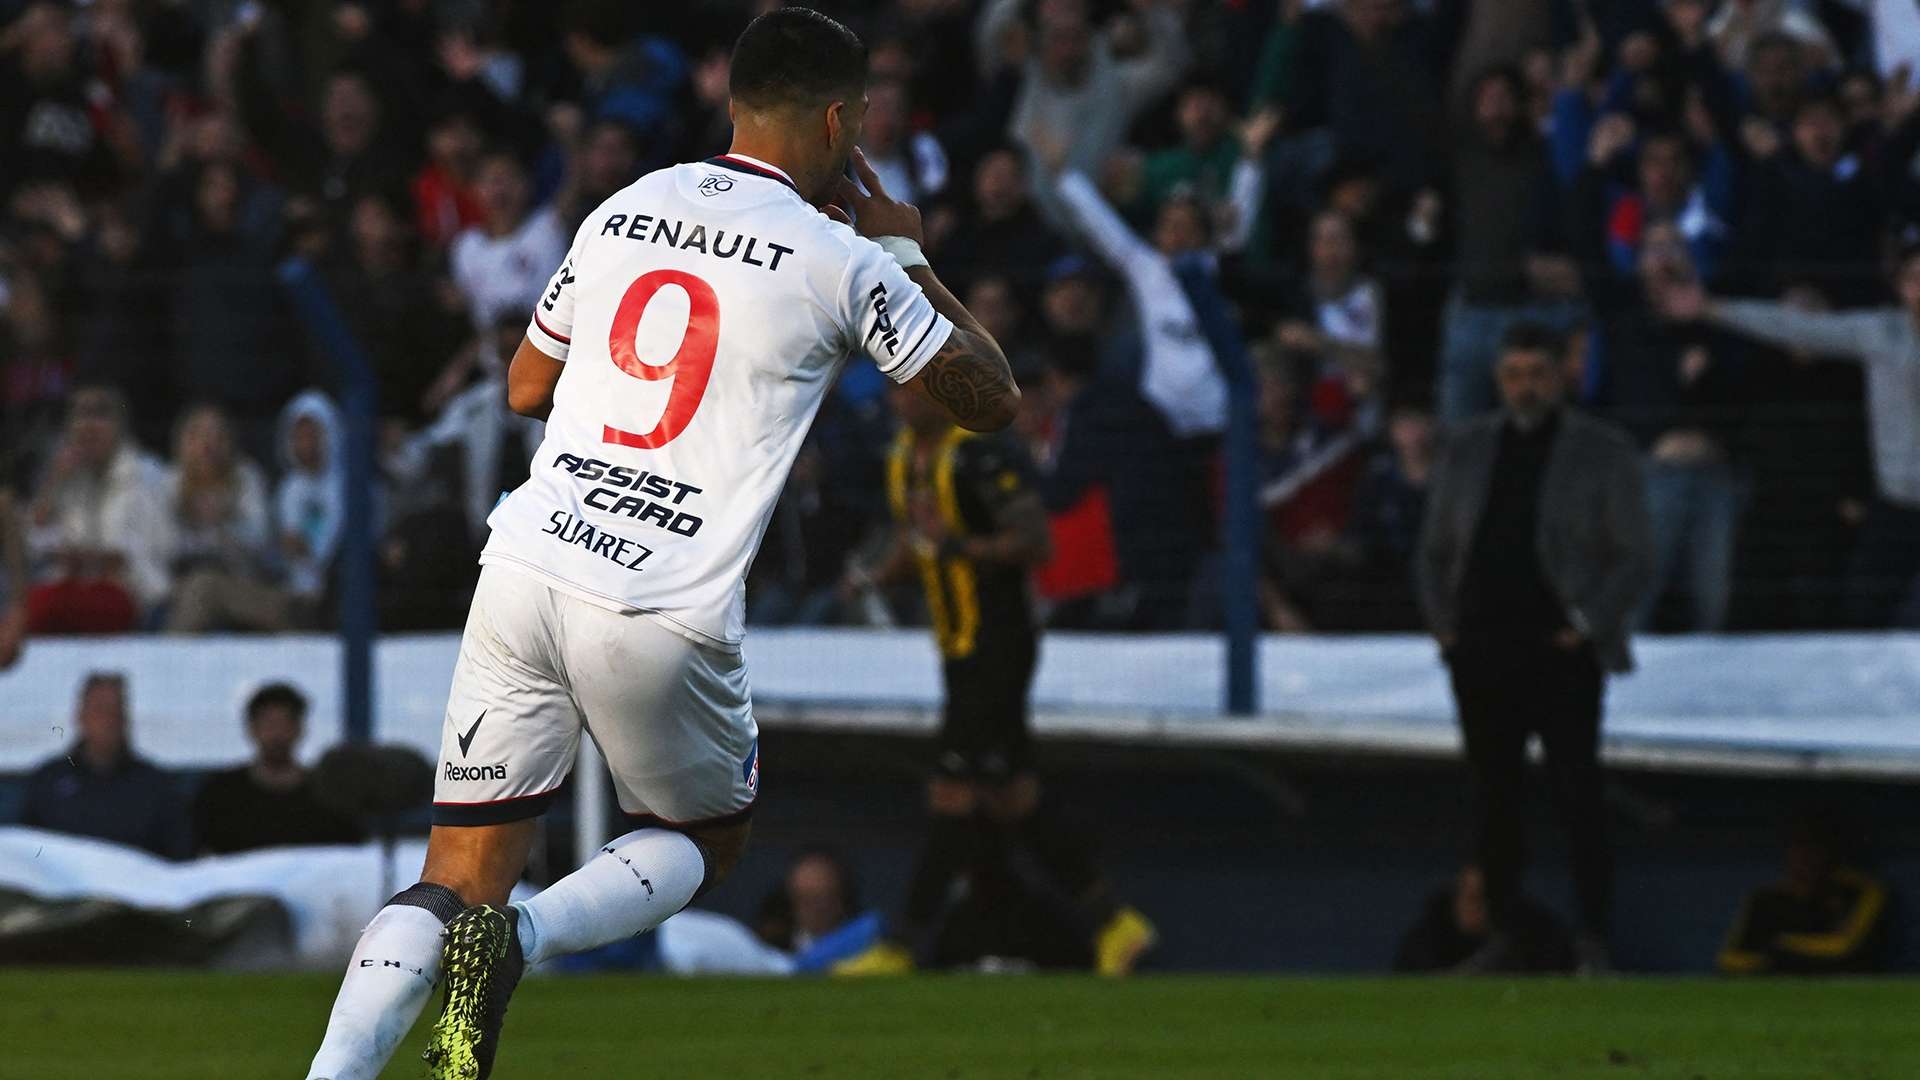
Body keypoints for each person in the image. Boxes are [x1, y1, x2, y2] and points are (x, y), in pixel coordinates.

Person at [304, 10, 1019, 1080]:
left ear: (734, 105)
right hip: (660, 598)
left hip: (531, 557)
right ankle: (523, 943)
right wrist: (902, 246)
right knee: (704, 838)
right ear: (839, 121)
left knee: (453, 868)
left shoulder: (625, 207)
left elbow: (524, 386)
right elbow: (989, 399)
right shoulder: (843, 258)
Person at [837, 383, 1152, 976]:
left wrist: (962, 547)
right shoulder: (904, 456)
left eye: (910, 385)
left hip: (999, 643)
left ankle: (900, 947)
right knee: (1011, 798)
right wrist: (878, 575)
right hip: (958, 646)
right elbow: (917, 541)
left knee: (953, 793)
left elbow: (1035, 541)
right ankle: (1117, 924)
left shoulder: (982, 453)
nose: (897, 397)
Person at [1416, 322, 1652, 974]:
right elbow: (1434, 552)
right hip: (1483, 644)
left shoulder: (1602, 450)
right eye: (1515, 374)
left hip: (1560, 647)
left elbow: (1633, 555)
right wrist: (1446, 628)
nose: (1525, 387)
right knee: (1494, 799)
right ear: (1498, 378)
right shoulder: (1465, 449)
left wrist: (1585, 624)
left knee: (1579, 791)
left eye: (1538, 373)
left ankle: (1591, 937)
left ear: (1562, 375)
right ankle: (1507, 933)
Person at [1662, 254, 1920, 627]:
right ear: (1900, 286)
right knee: (1863, 614)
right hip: (1895, 505)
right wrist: (1713, 309)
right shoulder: (1881, 332)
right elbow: (1794, 327)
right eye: (1913, 278)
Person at [23, 386, 172, 633]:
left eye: (100, 414)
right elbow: (34, 544)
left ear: (121, 426)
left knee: (41, 607)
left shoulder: (146, 473)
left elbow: (159, 546)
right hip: (73, 588)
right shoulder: (66, 476)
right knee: (31, 604)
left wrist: (93, 559)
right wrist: (53, 484)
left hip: (133, 594)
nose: (88, 424)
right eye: (81, 415)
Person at [18, 673, 191, 859]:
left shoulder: (155, 786)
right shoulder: (48, 782)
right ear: (80, 715)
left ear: (125, 718)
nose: (107, 720)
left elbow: (179, 856)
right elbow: (28, 855)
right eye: (99, 710)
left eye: (115, 710)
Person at [192, 683, 363, 854]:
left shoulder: (329, 794)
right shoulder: (221, 793)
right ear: (252, 730)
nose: (277, 735)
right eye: (269, 725)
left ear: (300, 730)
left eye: (285, 724)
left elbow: (349, 855)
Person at [1718, 814, 1889, 975]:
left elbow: (1847, 949)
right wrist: (1768, 960)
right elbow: (1730, 959)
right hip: (1775, 990)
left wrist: (1785, 948)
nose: (1805, 857)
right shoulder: (1766, 899)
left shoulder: (1858, 892)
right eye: (1798, 846)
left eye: (1814, 847)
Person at [1393, 864, 1574, 974]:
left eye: (1483, 898)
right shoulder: (1430, 935)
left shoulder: (1530, 937)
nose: (1476, 907)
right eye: (1469, 897)